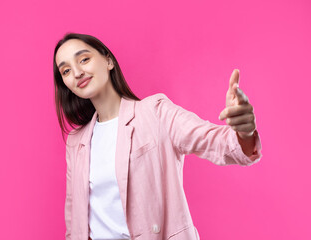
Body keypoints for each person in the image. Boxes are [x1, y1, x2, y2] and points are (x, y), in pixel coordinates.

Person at [53, 32, 262, 240]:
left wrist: (244, 131)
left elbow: (217, 143)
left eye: (84, 59)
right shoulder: (76, 141)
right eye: (66, 71)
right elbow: (75, 223)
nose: (77, 72)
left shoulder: (155, 112)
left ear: (108, 60)